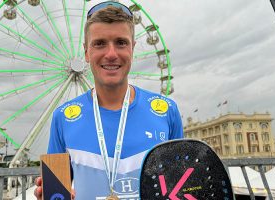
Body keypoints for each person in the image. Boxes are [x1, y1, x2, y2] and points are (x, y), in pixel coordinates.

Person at [34, 1, 183, 199]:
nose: (111, 54)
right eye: (100, 43)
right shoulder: (63, 117)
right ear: (86, 52)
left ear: (132, 49)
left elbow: (180, 188)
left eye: (121, 42)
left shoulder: (167, 112)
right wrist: (49, 194)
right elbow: (56, 193)